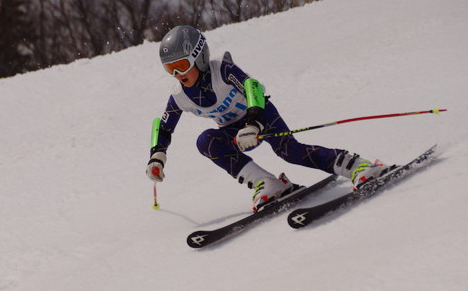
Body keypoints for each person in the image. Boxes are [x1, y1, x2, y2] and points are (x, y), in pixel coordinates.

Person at [146, 26, 390, 212]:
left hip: (261, 113)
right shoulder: (180, 95)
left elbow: (252, 87)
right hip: (234, 131)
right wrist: (157, 156)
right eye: (170, 69)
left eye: (180, 65)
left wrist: (254, 123)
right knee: (206, 141)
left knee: (289, 152)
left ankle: (358, 166)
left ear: (198, 56)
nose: (177, 74)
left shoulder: (222, 70)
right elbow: (165, 126)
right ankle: (269, 184)